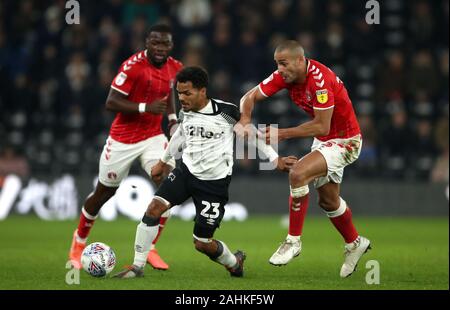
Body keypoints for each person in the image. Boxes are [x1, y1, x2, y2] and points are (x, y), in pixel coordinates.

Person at [113, 66, 297, 278]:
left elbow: (252, 134)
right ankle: (137, 266)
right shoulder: (186, 111)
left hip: (213, 184)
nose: (182, 98)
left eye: (187, 93)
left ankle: (234, 262)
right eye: (179, 93)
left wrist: (275, 159)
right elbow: (181, 134)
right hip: (186, 173)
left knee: (201, 243)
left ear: (202, 91)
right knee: (154, 208)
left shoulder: (226, 112)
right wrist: (164, 162)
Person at [238, 40, 371, 278]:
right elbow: (249, 97)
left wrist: (282, 133)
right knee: (328, 201)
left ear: (300, 61)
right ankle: (354, 243)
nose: (279, 69)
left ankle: (293, 241)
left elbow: (322, 125)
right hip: (325, 140)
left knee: (298, 173)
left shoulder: (319, 81)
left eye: (284, 64)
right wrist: (245, 120)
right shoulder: (284, 75)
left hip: (345, 140)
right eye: (277, 64)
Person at [69, 24, 182, 271]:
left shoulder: (176, 67)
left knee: (168, 185)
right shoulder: (133, 67)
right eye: (155, 43)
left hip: (153, 136)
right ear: (147, 43)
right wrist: (145, 107)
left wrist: (173, 121)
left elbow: (171, 93)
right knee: (103, 194)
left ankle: (150, 247)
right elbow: (111, 102)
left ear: (171, 46)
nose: (160, 48)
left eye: (164, 44)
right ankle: (78, 242)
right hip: (123, 139)